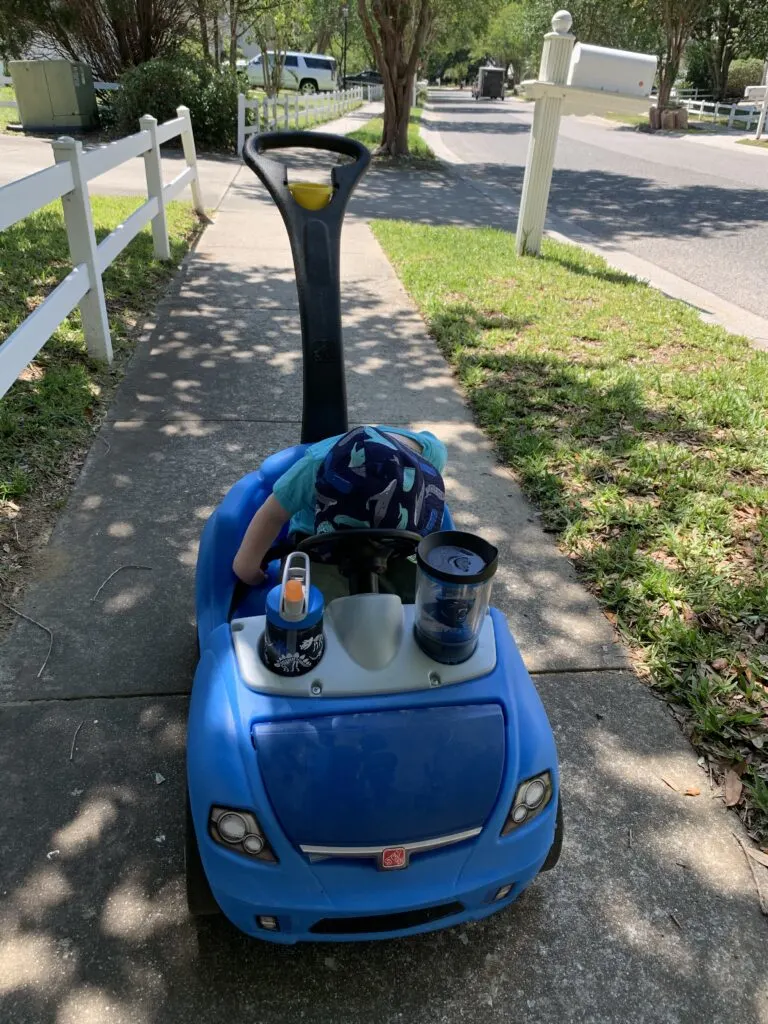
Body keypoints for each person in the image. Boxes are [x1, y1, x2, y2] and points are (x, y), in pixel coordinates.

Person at [233, 426, 447, 586]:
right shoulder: (313, 468)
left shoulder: (426, 454)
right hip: (323, 542)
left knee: (426, 596)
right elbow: (272, 515)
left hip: (397, 538)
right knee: (313, 606)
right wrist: (248, 568)